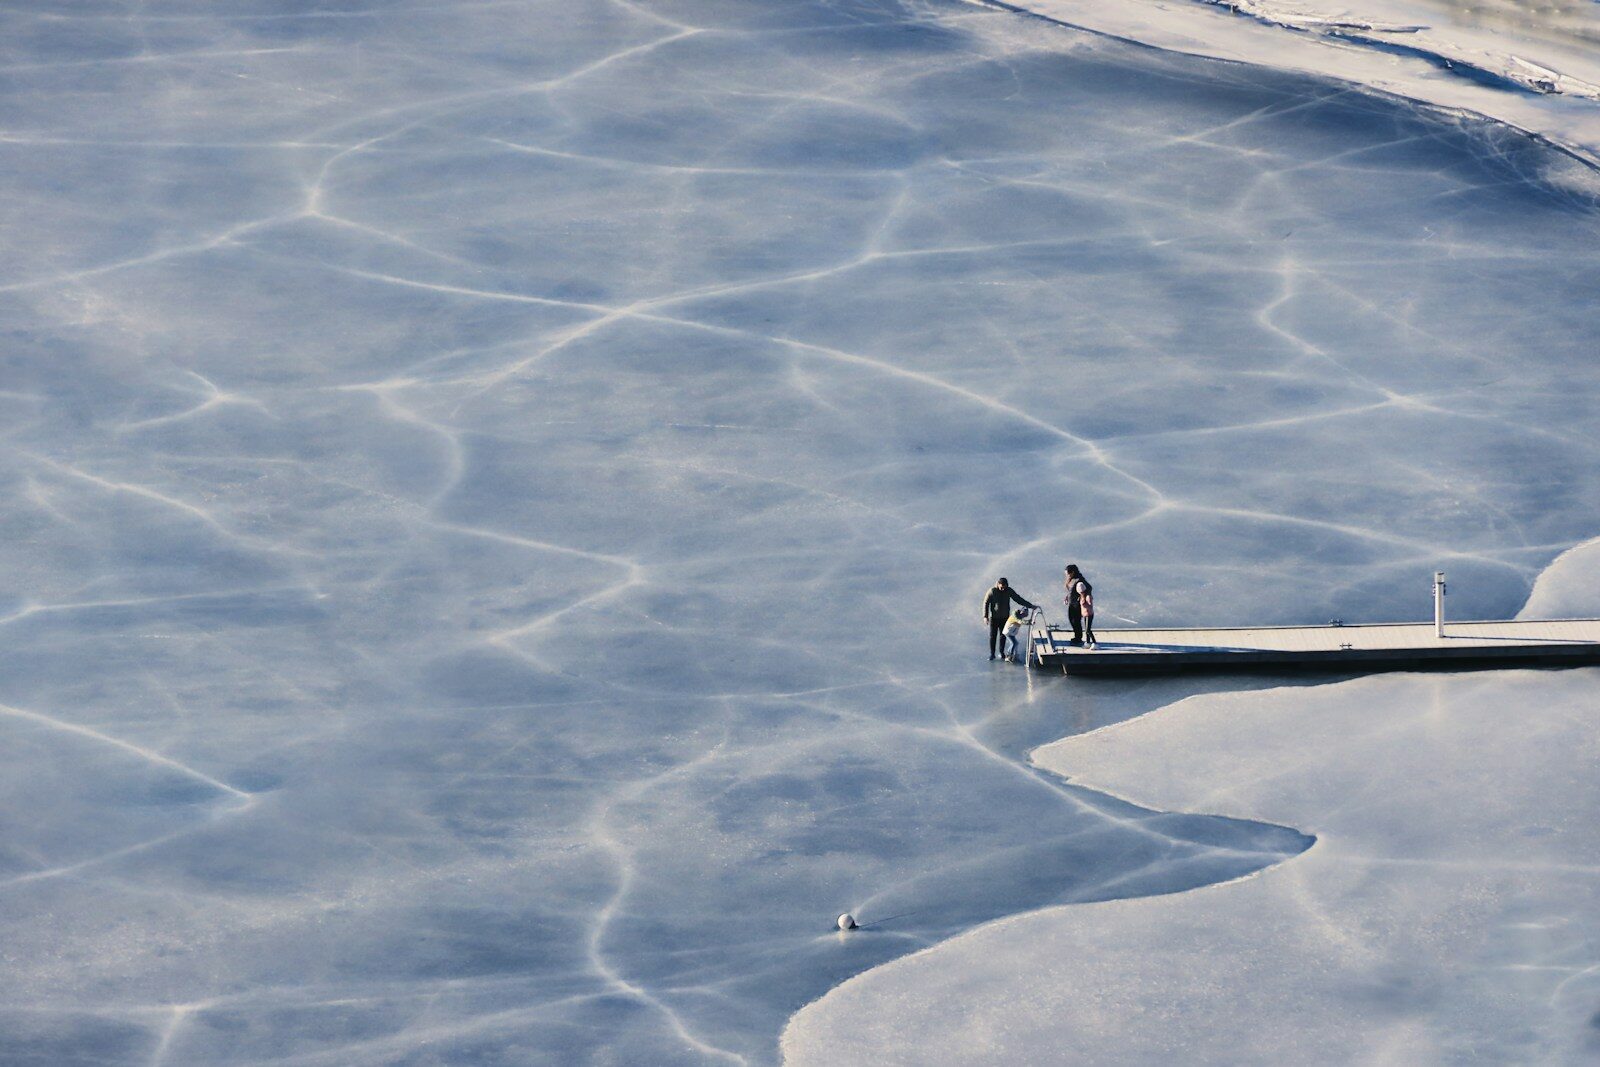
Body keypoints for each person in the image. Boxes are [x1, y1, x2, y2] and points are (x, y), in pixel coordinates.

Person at [982, 578, 1036, 661]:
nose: (1003, 589)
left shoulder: (1008, 591)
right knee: (993, 636)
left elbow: (1018, 599)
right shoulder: (992, 591)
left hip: (1004, 617)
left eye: (1005, 587)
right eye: (1001, 587)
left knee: (1003, 635)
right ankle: (992, 654)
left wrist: (1030, 605)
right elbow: (986, 603)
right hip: (994, 617)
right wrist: (985, 616)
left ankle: (1001, 652)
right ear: (998, 584)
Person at [1064, 564, 1095, 648]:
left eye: (1068, 573)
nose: (1067, 575)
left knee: (1076, 620)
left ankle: (1078, 638)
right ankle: (1077, 636)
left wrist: (1083, 597)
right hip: (1071, 603)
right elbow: (1071, 590)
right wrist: (1067, 597)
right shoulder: (1071, 579)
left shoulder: (1079, 579)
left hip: (1077, 604)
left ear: (1073, 572)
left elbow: (1089, 588)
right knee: (1072, 619)